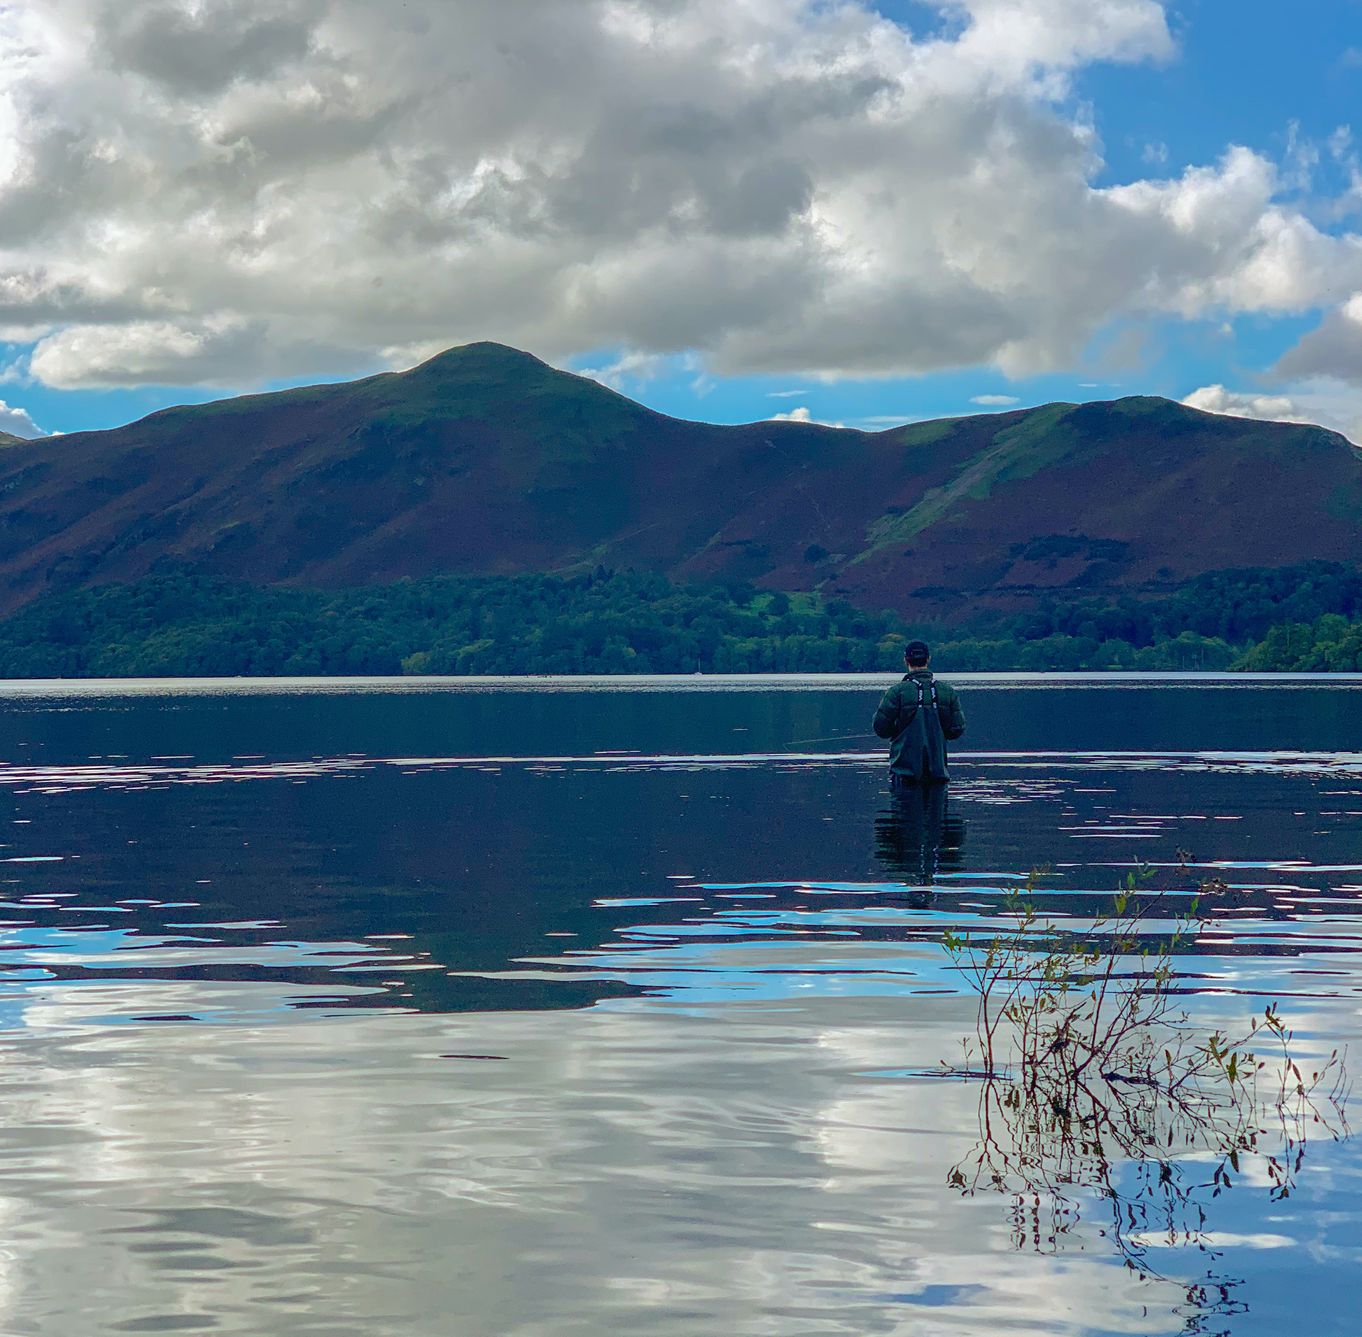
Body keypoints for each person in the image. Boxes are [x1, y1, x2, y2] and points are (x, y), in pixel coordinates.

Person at [872, 640, 965, 787]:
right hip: (938, 777)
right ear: (928, 659)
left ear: (905, 660)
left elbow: (880, 729)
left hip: (904, 778)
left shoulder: (896, 692)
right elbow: (956, 730)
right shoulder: (947, 692)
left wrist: (898, 727)